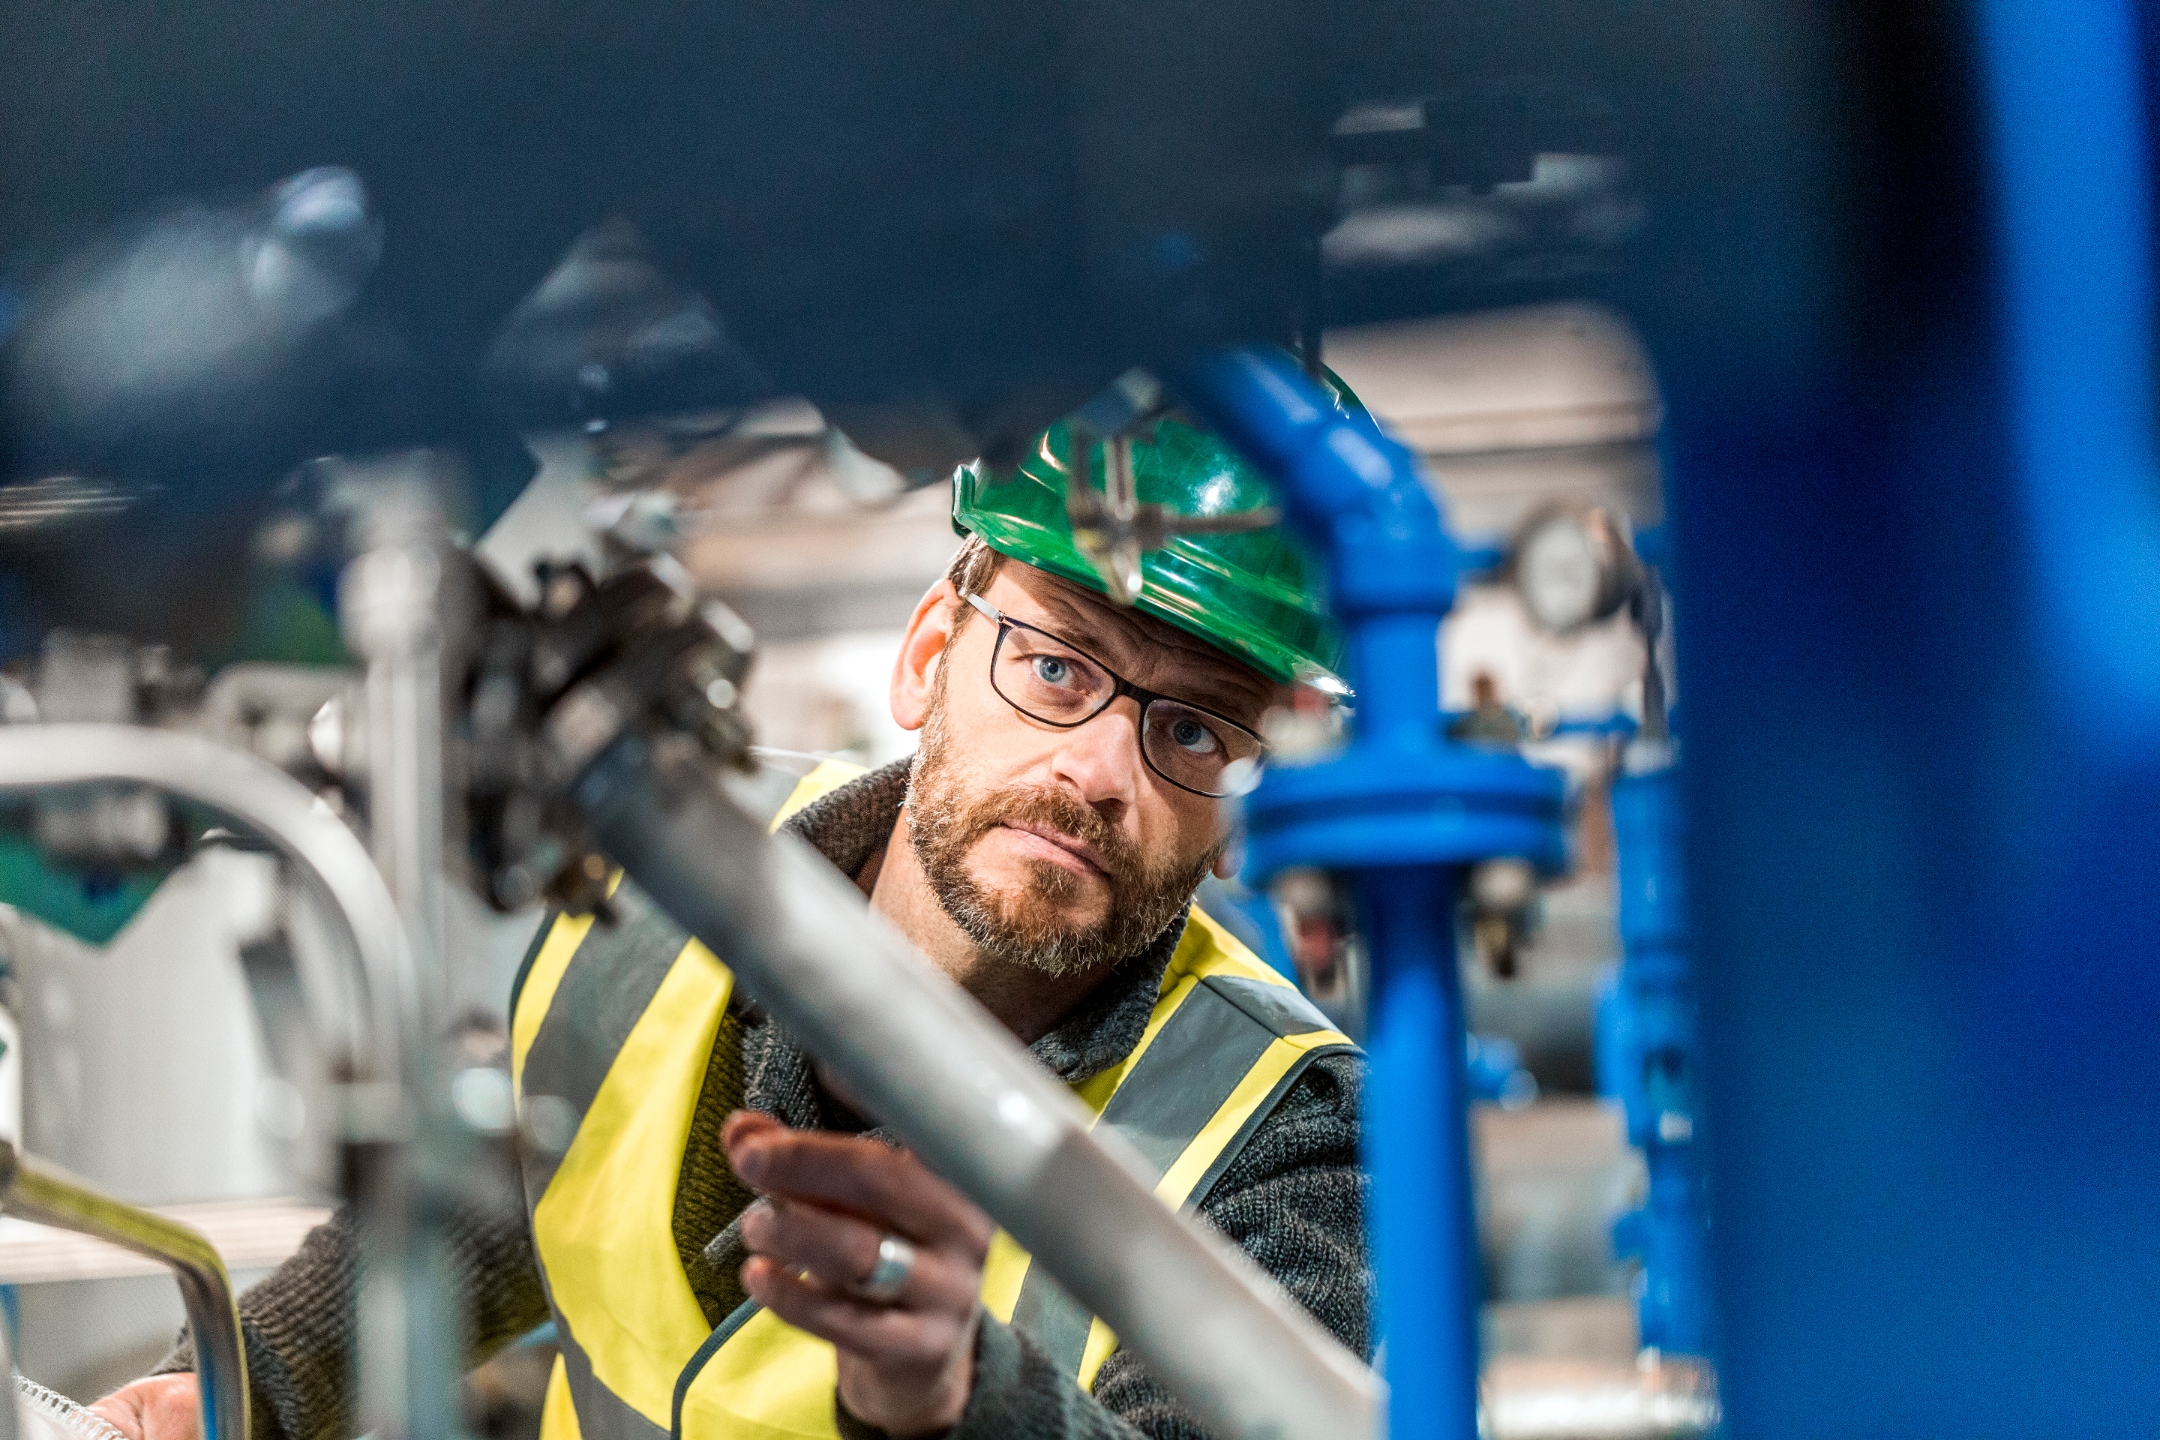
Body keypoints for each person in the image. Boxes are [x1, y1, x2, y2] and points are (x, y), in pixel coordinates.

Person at [92, 394, 1372, 1440]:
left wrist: (964, 1404)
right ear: (929, 655)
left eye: (1192, 728)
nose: (1100, 771)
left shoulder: (1282, 1133)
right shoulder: (673, 860)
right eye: (1056, 666)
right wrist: (241, 1387)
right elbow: (515, 1204)